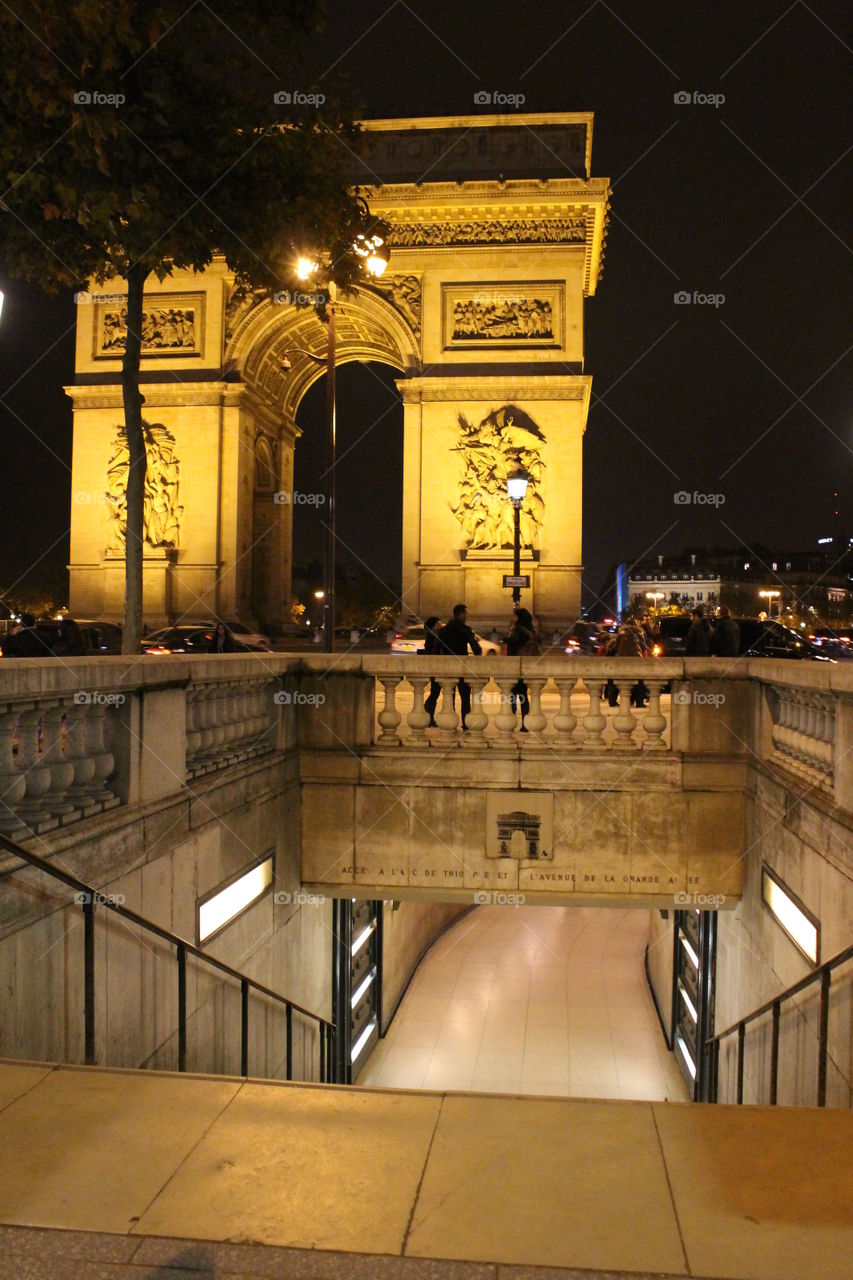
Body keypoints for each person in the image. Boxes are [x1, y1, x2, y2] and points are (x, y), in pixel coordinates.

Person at [437, 602, 481, 728]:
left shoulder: (444, 630)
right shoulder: (465, 630)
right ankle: (465, 723)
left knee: (449, 696)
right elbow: (476, 649)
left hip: (448, 666)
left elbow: (436, 648)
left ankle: (449, 723)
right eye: (466, 613)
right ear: (461, 614)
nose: (467, 616)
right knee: (465, 697)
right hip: (462, 667)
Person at [505, 606, 539, 730]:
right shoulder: (530, 630)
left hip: (516, 667)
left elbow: (514, 643)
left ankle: (511, 722)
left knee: (513, 696)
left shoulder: (518, 630)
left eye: (514, 616)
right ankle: (525, 724)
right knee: (523, 696)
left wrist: (506, 639)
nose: (512, 618)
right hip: (525, 668)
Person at [421, 616, 443, 727]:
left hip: (436, 668)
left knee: (435, 692)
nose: (440, 625)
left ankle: (428, 712)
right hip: (435, 668)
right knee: (435, 693)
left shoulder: (434, 636)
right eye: (438, 624)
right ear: (433, 626)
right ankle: (428, 713)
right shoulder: (432, 637)